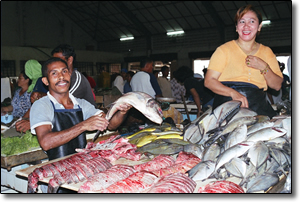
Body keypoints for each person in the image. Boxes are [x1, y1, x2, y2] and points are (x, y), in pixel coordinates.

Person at [30, 58, 131, 192]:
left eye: (64, 71)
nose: (61, 76)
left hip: (82, 169)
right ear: (46, 81)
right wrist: (83, 125)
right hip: (55, 174)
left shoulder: (80, 104)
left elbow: (110, 125)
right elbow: (46, 142)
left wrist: (122, 112)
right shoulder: (42, 105)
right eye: (54, 73)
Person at [204, 5, 283, 118]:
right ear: (236, 27)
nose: (246, 26)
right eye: (242, 22)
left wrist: (264, 67)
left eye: (252, 21)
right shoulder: (224, 50)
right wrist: (233, 93)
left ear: (259, 26)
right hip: (227, 107)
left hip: (258, 107)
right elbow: (209, 81)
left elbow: (276, 86)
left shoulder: (267, 52)